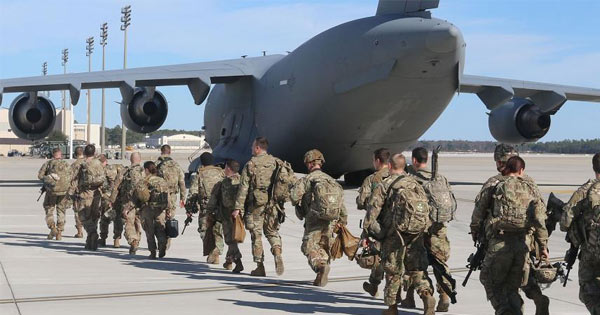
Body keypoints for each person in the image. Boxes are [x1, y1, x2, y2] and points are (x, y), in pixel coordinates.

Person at [471, 144, 550, 314]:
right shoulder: (530, 184)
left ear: (499, 162)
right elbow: (541, 215)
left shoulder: (495, 182)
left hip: (499, 241)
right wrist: (542, 245)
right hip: (524, 242)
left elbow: (478, 212)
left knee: (490, 280)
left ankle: (504, 310)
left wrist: (476, 231)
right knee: (517, 282)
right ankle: (534, 300)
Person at [364, 153, 435, 315]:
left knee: (392, 271)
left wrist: (374, 234)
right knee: (417, 267)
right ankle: (426, 295)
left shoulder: (385, 185)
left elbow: (371, 214)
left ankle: (392, 308)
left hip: (394, 236)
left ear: (389, 166)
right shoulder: (416, 184)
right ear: (404, 166)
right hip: (415, 233)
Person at [406, 147, 456, 312]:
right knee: (441, 263)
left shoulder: (413, 180)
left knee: (415, 264)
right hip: (439, 227)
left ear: (414, 161)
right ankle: (445, 296)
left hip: (420, 228)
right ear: (426, 160)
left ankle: (418, 296)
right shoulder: (441, 179)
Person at [291, 149, 348, 287]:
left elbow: (293, 196)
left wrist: (300, 204)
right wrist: (342, 221)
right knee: (324, 246)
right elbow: (342, 205)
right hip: (331, 219)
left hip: (314, 218)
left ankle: (320, 266)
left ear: (310, 164)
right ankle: (320, 275)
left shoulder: (308, 179)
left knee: (309, 246)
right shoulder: (332, 181)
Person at [233, 137, 285, 277]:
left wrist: (238, 208)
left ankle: (260, 266)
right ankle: (277, 251)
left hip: (255, 205)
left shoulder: (251, 164)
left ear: (257, 148)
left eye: (252, 147)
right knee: (272, 232)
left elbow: (243, 188)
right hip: (273, 204)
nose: (251, 149)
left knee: (256, 235)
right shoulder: (276, 162)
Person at [560, 152, 600, 314]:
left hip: (591, 251)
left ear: (594, 168)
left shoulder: (586, 190)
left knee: (587, 290)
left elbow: (565, 222)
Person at [357, 148, 390, 297]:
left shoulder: (372, 179)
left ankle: (375, 286)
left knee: (377, 256)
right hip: (396, 225)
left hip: (377, 224)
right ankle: (380, 287)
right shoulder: (398, 177)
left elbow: (361, 201)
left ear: (377, 161)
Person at [188, 152, 225, 264]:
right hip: (220, 206)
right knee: (218, 230)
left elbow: (193, 193)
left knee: (204, 230)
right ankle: (217, 252)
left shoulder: (200, 174)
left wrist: (189, 207)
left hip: (206, 207)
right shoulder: (221, 173)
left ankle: (212, 251)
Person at [207, 159, 244, 273]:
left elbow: (213, 200)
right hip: (240, 215)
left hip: (227, 215)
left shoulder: (224, 183)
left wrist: (209, 212)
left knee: (230, 240)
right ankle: (228, 262)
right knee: (234, 238)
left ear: (228, 168)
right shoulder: (243, 182)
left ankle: (238, 262)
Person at [68, 144, 105, 250]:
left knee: (83, 217)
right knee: (94, 218)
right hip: (97, 194)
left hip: (85, 194)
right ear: (94, 153)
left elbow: (74, 179)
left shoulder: (83, 164)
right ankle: (90, 242)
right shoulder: (99, 163)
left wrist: (70, 194)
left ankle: (92, 233)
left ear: (85, 152)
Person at [111, 152, 144, 254]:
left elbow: (116, 187)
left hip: (128, 201)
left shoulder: (125, 171)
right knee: (138, 222)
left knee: (129, 223)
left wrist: (112, 200)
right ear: (140, 159)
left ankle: (133, 241)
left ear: (130, 160)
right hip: (142, 201)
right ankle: (137, 240)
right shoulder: (145, 171)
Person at [136, 161, 170, 259]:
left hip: (148, 209)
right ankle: (162, 247)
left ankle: (152, 252)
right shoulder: (162, 180)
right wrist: (168, 210)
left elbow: (140, 196)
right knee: (161, 229)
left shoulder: (145, 181)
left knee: (149, 231)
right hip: (160, 209)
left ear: (146, 170)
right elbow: (167, 196)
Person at [37, 148, 71, 240]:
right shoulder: (66, 164)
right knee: (61, 211)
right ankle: (59, 232)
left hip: (51, 192)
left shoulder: (48, 164)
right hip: (64, 192)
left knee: (49, 210)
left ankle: (52, 227)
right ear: (61, 155)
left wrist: (48, 178)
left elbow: (40, 176)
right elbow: (71, 176)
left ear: (53, 155)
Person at [156, 145, 186, 248]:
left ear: (161, 152)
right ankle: (168, 237)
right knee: (170, 217)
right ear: (170, 152)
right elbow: (182, 182)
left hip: (160, 195)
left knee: (159, 218)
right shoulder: (176, 165)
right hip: (172, 196)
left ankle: (161, 240)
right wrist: (183, 198)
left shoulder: (157, 164)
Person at [98, 154, 123, 248]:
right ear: (106, 161)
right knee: (117, 219)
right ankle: (116, 240)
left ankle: (103, 238)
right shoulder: (115, 168)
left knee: (105, 218)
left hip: (106, 197)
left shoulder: (101, 171)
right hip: (117, 197)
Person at [69, 146, 85, 238]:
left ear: (75, 154)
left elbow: (71, 179)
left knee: (77, 212)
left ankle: (80, 231)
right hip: (90, 192)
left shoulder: (74, 165)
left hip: (78, 191)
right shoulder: (89, 163)